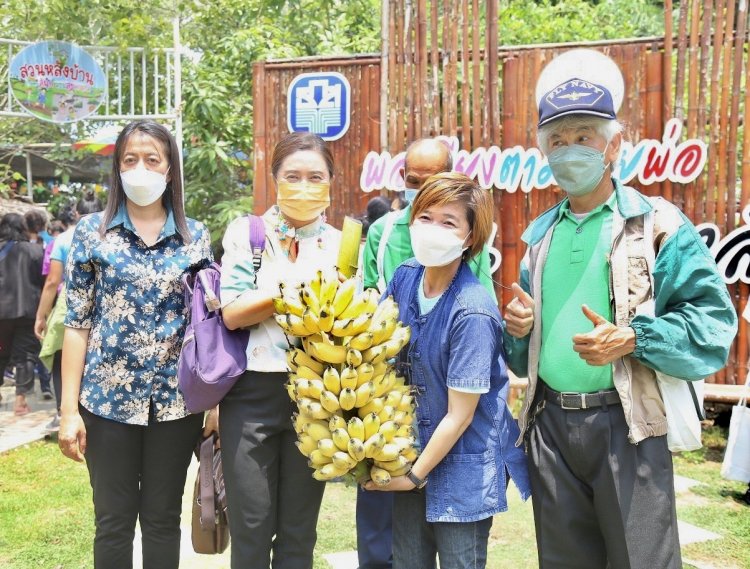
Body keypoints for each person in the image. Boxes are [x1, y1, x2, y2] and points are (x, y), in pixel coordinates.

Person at [502, 75, 738, 569]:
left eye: (584, 136)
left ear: (613, 145)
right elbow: (522, 353)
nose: (570, 151)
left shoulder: (656, 223)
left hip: (628, 422)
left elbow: (713, 323)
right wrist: (519, 330)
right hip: (550, 425)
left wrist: (633, 337)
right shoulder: (539, 238)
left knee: (642, 560)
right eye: (557, 141)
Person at [57, 120, 213, 569]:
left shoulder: (194, 236)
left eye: (152, 159)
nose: (140, 168)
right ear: (116, 169)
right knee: (113, 520)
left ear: (170, 170)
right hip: (106, 401)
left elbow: (205, 324)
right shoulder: (92, 232)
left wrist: (214, 404)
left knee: (164, 520)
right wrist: (69, 411)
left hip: (175, 404)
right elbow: (77, 324)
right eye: (130, 160)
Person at [363, 172, 530, 569]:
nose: (432, 229)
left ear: (470, 237)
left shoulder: (471, 310)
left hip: (461, 474)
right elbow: (377, 345)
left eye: (449, 221)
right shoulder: (405, 277)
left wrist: (414, 476)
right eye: (425, 217)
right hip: (408, 454)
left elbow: (460, 415)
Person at [218, 131, 342, 569]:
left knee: (298, 533)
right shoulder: (248, 233)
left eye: (315, 176)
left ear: (331, 182)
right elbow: (233, 312)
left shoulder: (343, 244)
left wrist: (268, 298)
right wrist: (299, 291)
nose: (304, 185)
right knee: (250, 528)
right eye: (293, 175)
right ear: (274, 179)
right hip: (250, 397)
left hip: (316, 394)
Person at [362, 138, 496, 296]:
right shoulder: (381, 233)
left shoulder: (464, 238)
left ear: (448, 178)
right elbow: (368, 297)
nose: (422, 191)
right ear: (402, 176)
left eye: (431, 182)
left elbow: (484, 304)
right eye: (413, 181)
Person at [35, 192, 104, 432]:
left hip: (68, 304)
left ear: (76, 213)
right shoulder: (107, 233)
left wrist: (41, 315)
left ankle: (64, 412)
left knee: (61, 358)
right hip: (104, 307)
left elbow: (53, 281)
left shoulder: (63, 239)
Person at [0, 213, 44, 414]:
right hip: (28, 311)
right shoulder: (35, 251)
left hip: (2, 314)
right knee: (25, 354)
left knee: (1, 351)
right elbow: (43, 281)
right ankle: (20, 401)